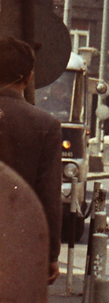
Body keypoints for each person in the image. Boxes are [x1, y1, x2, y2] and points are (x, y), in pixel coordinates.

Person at [0, 37, 62, 283]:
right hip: (20, 244)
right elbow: (49, 196)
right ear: (28, 78)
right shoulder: (46, 126)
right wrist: (50, 254)